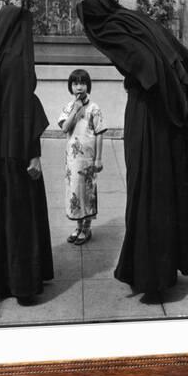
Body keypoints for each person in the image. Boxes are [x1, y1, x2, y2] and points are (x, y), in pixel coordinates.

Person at [76, 0, 188, 294]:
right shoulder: (136, 19)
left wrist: (140, 84)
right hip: (171, 111)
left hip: (150, 113)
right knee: (165, 184)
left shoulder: (114, 27)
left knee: (147, 185)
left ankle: (151, 273)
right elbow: (175, 60)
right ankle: (163, 267)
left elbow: (148, 67)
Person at [0, 3, 53, 303]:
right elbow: (23, 109)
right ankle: (23, 284)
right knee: (20, 219)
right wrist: (33, 153)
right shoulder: (18, 61)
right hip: (17, 153)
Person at [58, 69, 107, 245]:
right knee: (74, 191)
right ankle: (78, 226)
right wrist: (75, 110)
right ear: (70, 86)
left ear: (88, 85)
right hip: (72, 160)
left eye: (83, 83)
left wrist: (98, 158)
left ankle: (86, 227)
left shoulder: (94, 108)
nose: (79, 87)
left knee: (87, 192)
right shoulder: (68, 107)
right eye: (75, 83)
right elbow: (65, 128)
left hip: (88, 159)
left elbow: (100, 133)